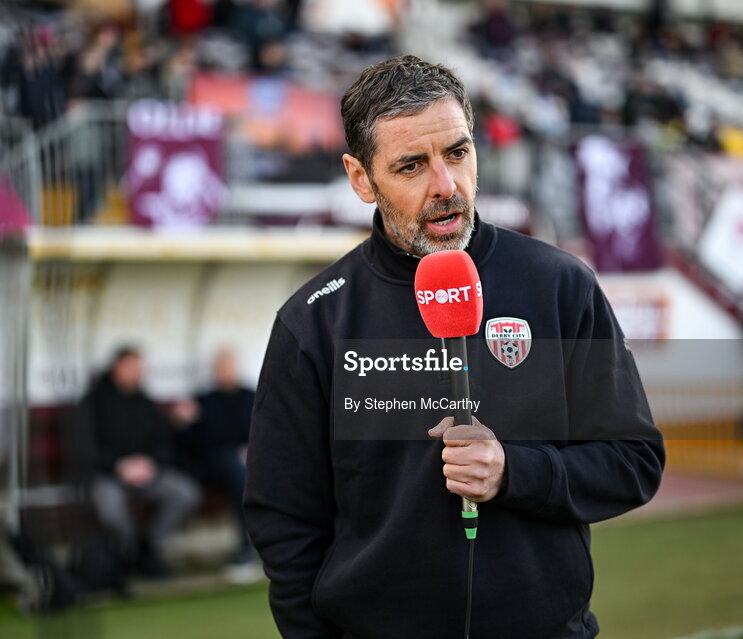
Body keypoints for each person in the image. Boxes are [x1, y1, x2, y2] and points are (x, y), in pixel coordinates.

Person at [244, 55, 664, 638]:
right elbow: (285, 521)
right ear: (360, 177)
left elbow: (633, 461)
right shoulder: (313, 323)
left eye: (458, 154)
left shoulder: (559, 284)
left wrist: (515, 471)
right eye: (412, 165)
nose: (445, 187)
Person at [77, 346, 201, 578]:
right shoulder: (93, 402)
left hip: (146, 474)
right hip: (109, 474)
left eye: (140, 368)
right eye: (133, 367)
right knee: (110, 509)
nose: (138, 373)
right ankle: (129, 552)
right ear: (118, 367)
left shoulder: (144, 403)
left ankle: (148, 548)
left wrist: (150, 464)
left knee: (185, 493)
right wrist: (118, 466)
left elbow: (162, 443)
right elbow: (85, 448)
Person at [171, 349, 259, 583]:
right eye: (220, 367)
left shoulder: (252, 395)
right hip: (214, 466)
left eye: (229, 366)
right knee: (237, 471)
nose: (225, 371)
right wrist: (182, 423)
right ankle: (245, 550)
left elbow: (267, 433)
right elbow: (190, 443)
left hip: (252, 462)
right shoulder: (203, 400)